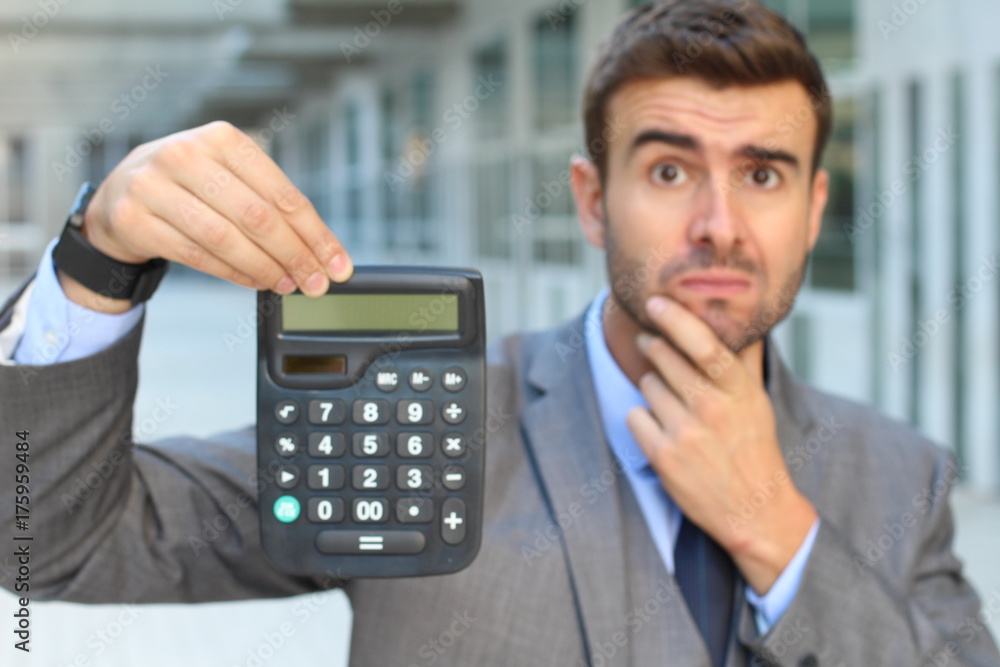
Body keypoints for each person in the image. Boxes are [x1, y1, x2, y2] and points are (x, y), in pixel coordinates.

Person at [2, 1, 998, 665]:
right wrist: (96, 263)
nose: (719, 224)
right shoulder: (420, 422)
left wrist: (776, 533)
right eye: (667, 170)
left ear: (815, 209)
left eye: (763, 174)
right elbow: (42, 541)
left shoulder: (900, 477)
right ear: (592, 200)